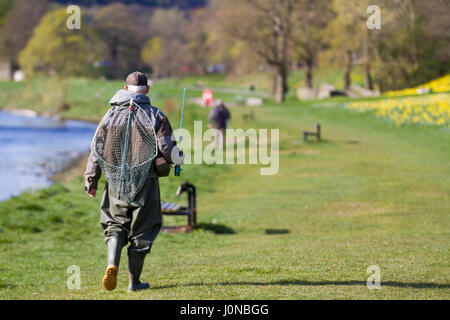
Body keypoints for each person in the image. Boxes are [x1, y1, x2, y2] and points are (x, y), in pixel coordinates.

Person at [84, 71, 183, 292]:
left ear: (125, 89)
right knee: (144, 231)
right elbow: (167, 150)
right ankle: (134, 282)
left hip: (115, 183)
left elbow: (96, 151)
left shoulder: (109, 116)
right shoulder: (156, 116)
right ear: (147, 90)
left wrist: (91, 181)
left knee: (114, 224)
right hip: (145, 184)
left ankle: (112, 264)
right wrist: (179, 157)